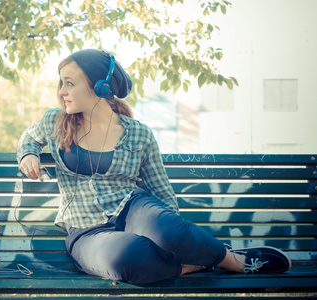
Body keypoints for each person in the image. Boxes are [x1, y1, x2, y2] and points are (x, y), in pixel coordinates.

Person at [17, 48, 291, 284]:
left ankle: (235, 261)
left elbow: (161, 191)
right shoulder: (55, 121)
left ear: (100, 86)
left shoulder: (138, 133)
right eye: (61, 83)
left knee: (168, 228)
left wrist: (174, 235)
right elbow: (29, 136)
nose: (62, 91)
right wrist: (28, 155)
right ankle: (194, 264)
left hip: (132, 207)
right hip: (86, 232)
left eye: (70, 83)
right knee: (129, 257)